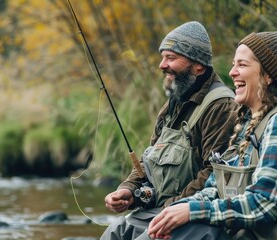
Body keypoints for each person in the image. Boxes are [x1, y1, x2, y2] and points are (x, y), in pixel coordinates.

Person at [143, 31, 277, 240]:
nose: (232, 72)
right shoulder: (248, 121)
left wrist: (192, 213)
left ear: (268, 75)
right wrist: (177, 210)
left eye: (242, 65)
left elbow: (263, 204)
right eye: (233, 64)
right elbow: (214, 188)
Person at [100, 21, 238, 239]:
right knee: (115, 232)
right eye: (163, 57)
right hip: (160, 210)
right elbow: (148, 159)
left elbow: (214, 174)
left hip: (194, 215)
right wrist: (128, 191)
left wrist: (173, 209)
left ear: (198, 65)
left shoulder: (220, 106)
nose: (162, 65)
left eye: (171, 58)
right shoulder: (172, 105)